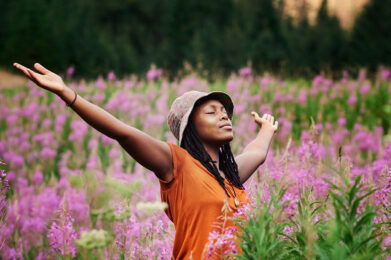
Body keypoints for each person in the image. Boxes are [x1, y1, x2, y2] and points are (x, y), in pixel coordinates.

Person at [13, 63, 278, 259]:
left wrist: (267, 128)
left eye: (225, 113)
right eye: (212, 112)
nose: (224, 117)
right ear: (191, 128)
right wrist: (67, 94)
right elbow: (122, 132)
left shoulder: (230, 176)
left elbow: (257, 153)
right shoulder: (176, 163)